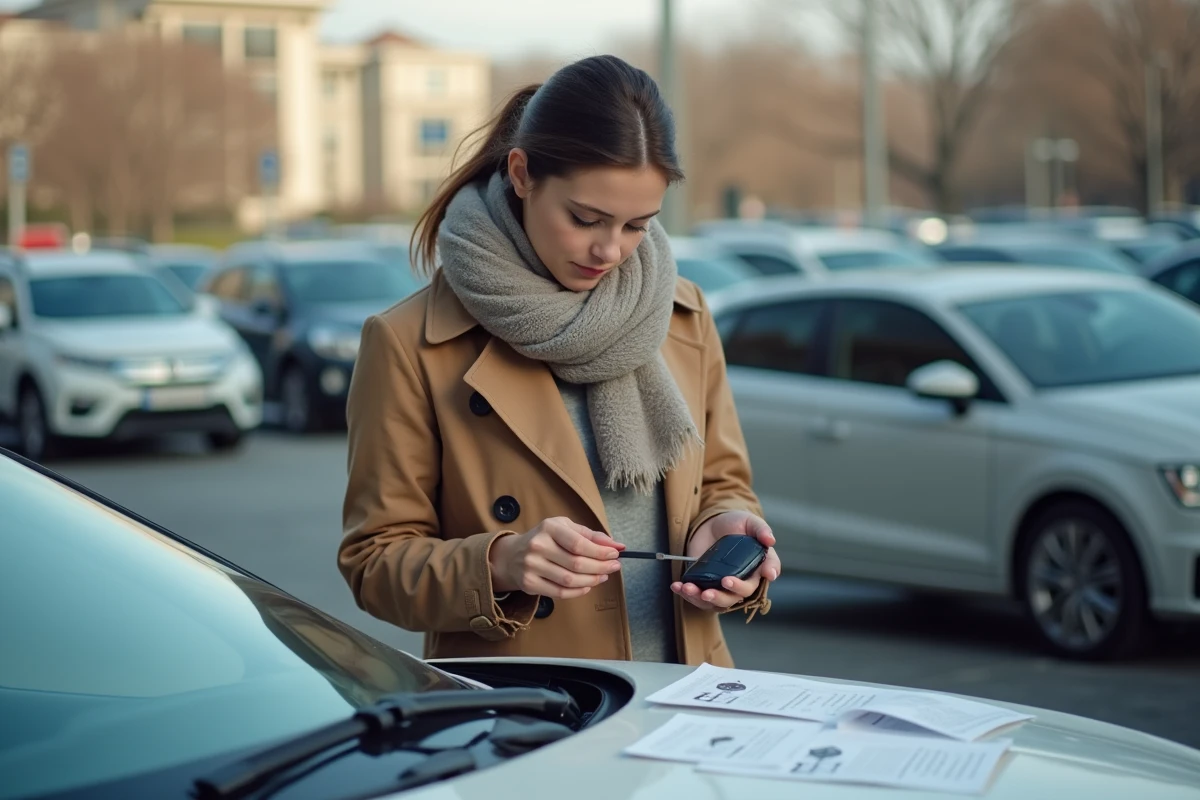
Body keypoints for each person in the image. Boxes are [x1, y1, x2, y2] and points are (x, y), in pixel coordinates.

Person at [339, 54, 781, 667]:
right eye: (584, 218)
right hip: (528, 709)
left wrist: (727, 526)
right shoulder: (409, 342)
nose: (610, 250)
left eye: (637, 225)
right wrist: (500, 562)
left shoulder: (682, 314)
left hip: (686, 698)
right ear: (522, 173)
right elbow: (375, 562)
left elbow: (722, 482)